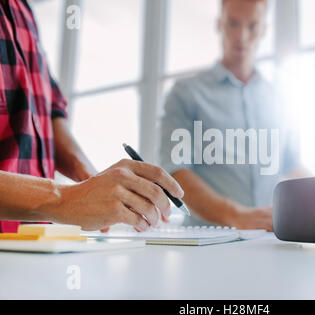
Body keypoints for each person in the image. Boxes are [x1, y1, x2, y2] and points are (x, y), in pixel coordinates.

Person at [0, 0, 183, 233]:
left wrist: (88, 179)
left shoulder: (22, 10)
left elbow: (49, 110)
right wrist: (64, 199)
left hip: (32, 243)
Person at [159, 0, 307, 231]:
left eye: (252, 26)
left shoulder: (279, 97)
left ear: (264, 30)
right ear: (219, 25)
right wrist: (236, 216)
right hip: (209, 241)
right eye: (233, 24)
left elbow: (290, 165)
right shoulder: (186, 93)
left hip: (271, 237)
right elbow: (175, 170)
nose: (242, 36)